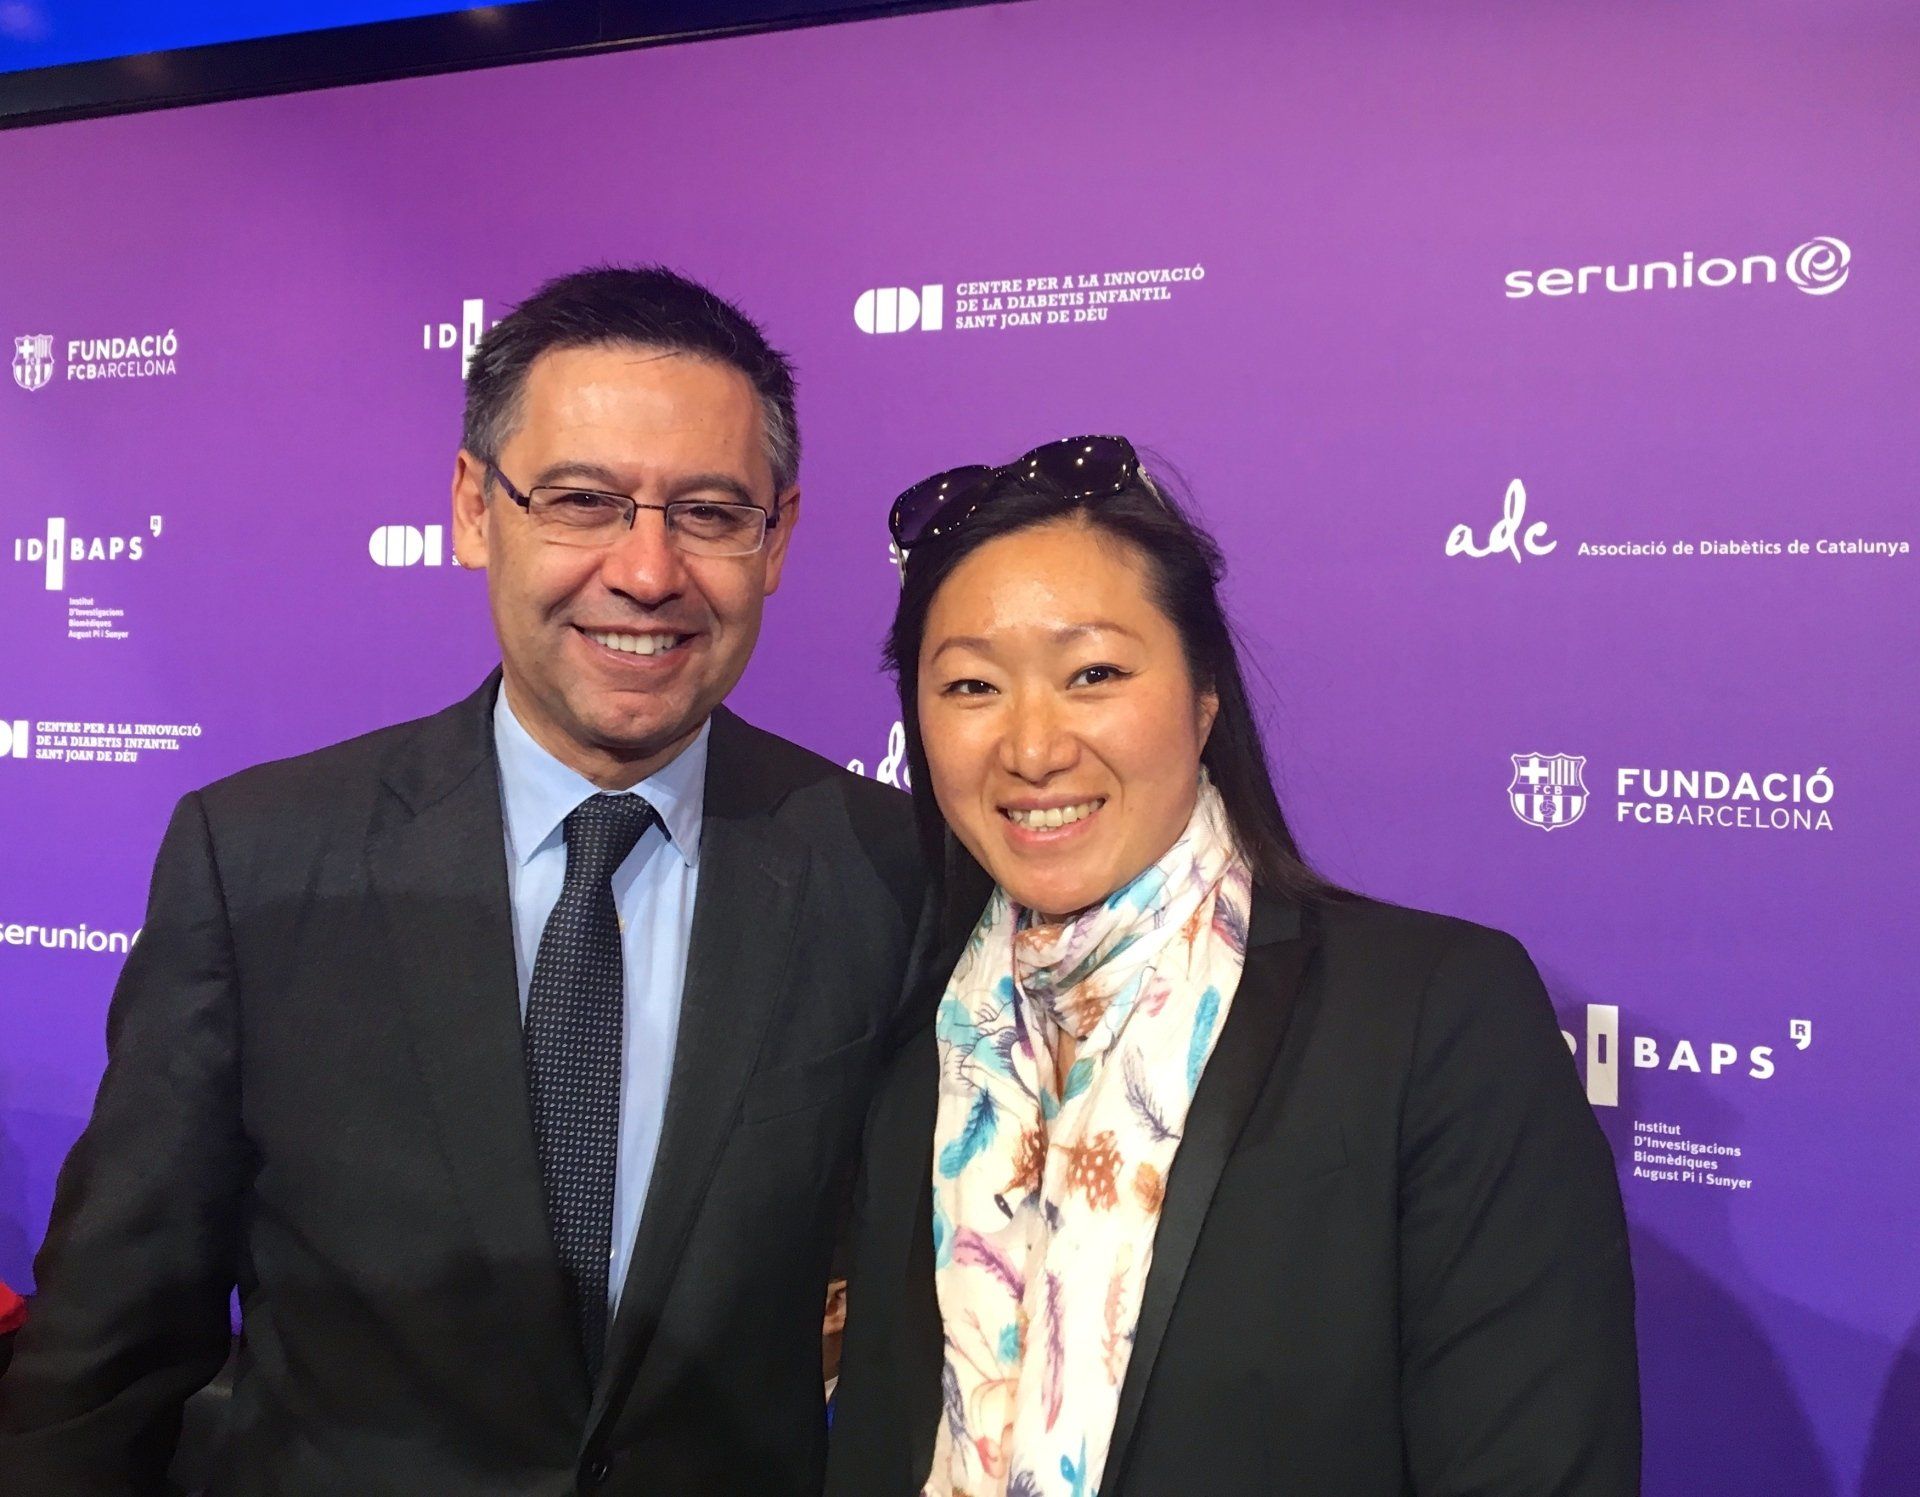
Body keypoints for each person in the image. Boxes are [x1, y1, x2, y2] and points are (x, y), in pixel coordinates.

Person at [0, 266, 926, 1495]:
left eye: (709, 512)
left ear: (779, 537)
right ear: (474, 509)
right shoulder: (261, 860)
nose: (649, 572)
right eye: (583, 501)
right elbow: (106, 1353)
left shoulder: (886, 867)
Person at [824, 437, 1640, 1497]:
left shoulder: (1433, 1019)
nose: (1031, 747)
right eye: (972, 685)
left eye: (1093, 674)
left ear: (1204, 693)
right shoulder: (920, 1036)